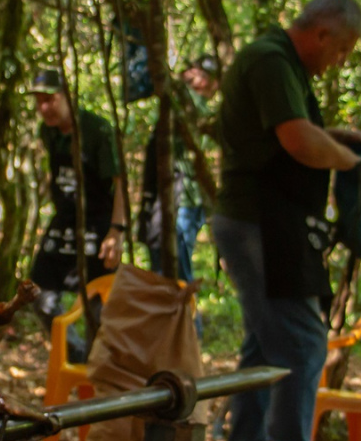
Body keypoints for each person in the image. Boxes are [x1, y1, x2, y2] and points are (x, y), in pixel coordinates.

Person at [212, 0, 361, 441]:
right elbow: (298, 142)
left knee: (264, 342)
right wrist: (347, 160)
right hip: (260, 222)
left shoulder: (283, 67)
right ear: (322, 33)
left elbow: (291, 135)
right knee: (303, 343)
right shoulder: (271, 59)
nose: (338, 61)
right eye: (341, 49)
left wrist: (331, 138)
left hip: (263, 221)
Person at [28, 68, 124, 341]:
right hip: (64, 222)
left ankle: (98, 371)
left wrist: (116, 231)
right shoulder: (47, 133)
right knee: (38, 294)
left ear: (67, 97)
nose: (44, 108)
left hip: (98, 223)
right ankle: (75, 355)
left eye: (50, 99)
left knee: (99, 307)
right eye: (38, 101)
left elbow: (120, 185)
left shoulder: (96, 130)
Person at [138, 54, 219, 284]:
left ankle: (189, 321)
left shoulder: (193, 106)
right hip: (168, 197)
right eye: (194, 70)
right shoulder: (179, 103)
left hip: (184, 200)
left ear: (212, 84)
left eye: (203, 75)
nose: (193, 77)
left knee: (178, 277)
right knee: (164, 274)